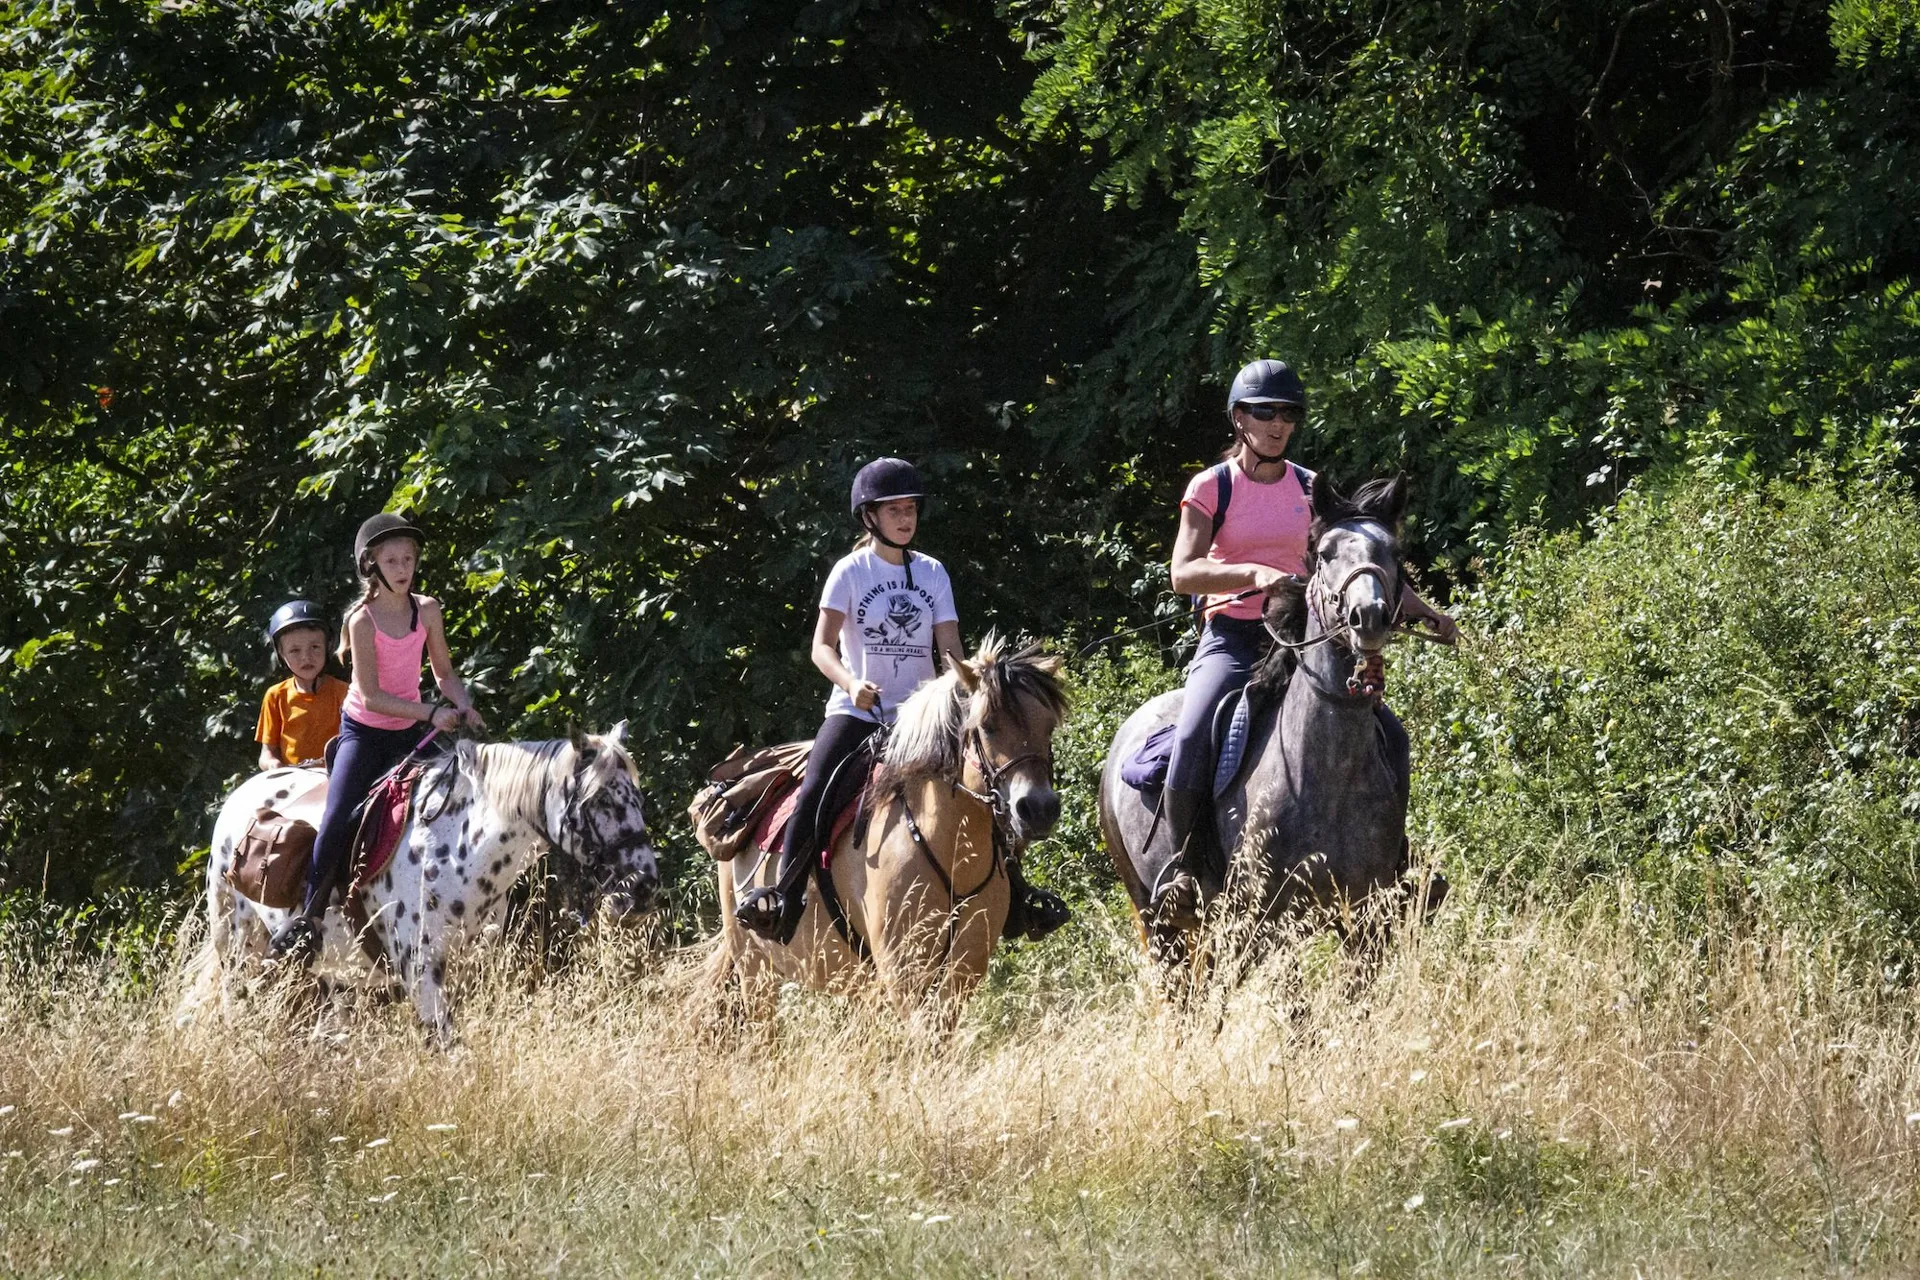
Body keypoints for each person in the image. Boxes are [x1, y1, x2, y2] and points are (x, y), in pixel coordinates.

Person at [1155, 358, 1459, 927]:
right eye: (1266, 412)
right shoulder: (1211, 487)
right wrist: (1252, 575)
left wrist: (1424, 611)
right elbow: (1183, 573)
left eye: (1289, 414)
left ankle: (1398, 864)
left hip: (1305, 636)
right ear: (1238, 417)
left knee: (1388, 732)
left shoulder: (1309, 487)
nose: (1279, 424)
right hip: (1234, 637)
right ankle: (1186, 871)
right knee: (1195, 728)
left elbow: (1355, 563)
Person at [735, 458, 1071, 945]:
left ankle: (1017, 899)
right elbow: (820, 647)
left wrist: (977, 678)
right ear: (869, 516)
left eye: (910, 509)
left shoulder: (933, 573)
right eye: (894, 509)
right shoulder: (850, 572)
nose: (906, 518)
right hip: (856, 712)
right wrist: (851, 684)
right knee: (815, 792)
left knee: (986, 789)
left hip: (921, 719)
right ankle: (782, 898)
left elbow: (951, 653)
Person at [268, 513, 487, 962]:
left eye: (409, 558)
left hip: (409, 733)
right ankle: (308, 919)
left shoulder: (427, 609)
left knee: (457, 802)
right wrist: (432, 713)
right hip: (364, 734)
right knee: (336, 819)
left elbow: (444, 673)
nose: (403, 567)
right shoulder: (361, 622)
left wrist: (463, 704)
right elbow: (369, 696)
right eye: (392, 560)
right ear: (372, 565)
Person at [255, 600, 349, 770]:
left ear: (327, 647)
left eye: (314, 647)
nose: (306, 657)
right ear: (281, 654)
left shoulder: (344, 693)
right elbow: (267, 752)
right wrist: (272, 764)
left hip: (334, 776)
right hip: (294, 780)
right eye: (295, 650)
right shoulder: (275, 696)